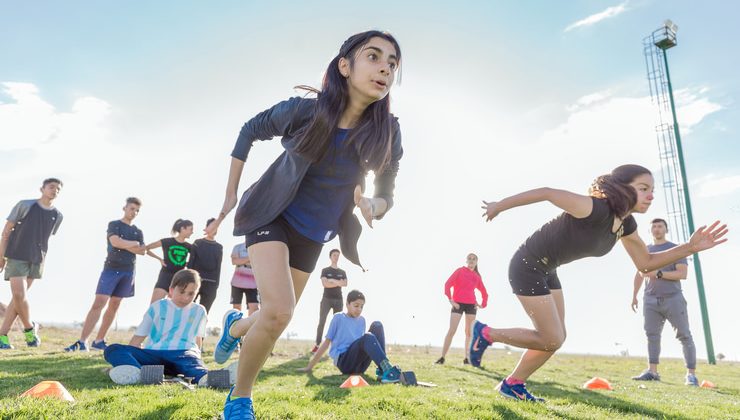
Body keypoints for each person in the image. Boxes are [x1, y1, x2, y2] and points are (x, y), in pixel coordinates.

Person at [206, 30, 403, 419]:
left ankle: (234, 327)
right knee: (279, 312)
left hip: (314, 234)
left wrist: (372, 205)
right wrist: (230, 193)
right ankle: (240, 399)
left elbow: (387, 192)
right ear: (345, 66)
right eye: (374, 56)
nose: (385, 67)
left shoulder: (387, 131)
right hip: (270, 216)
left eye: (392, 63)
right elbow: (250, 129)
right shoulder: (305, 111)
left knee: (273, 316)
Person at [470, 164, 727, 402]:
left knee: (556, 337)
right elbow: (547, 193)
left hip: (547, 269)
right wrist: (499, 205)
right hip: (527, 266)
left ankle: (513, 383)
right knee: (552, 338)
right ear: (623, 188)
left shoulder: (625, 224)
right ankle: (485, 334)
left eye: (652, 191)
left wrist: (690, 247)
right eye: (643, 189)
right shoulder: (594, 207)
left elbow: (645, 263)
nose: (650, 196)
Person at [103, 269, 216, 385]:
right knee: (113, 349)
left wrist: (198, 357)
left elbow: (198, 339)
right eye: (182, 292)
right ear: (171, 290)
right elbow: (139, 336)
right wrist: (128, 358)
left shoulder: (199, 311)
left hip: (184, 354)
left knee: (193, 366)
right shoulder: (157, 307)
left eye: (191, 293)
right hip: (154, 355)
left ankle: (207, 378)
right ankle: (134, 372)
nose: (186, 297)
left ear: (197, 292)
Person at [65, 197, 146, 352]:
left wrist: (127, 244)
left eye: (137, 210)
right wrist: (133, 244)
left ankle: (99, 341)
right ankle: (82, 341)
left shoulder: (138, 231)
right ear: (125, 208)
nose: (134, 212)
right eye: (131, 209)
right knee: (99, 303)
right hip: (111, 268)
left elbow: (143, 251)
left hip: (129, 271)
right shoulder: (114, 224)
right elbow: (115, 242)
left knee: (115, 305)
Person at [630, 218, 698, 386]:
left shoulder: (675, 249)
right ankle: (652, 372)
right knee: (652, 335)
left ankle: (691, 375)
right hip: (650, 299)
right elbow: (639, 274)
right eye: (653, 226)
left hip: (673, 298)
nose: (656, 229)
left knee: (684, 335)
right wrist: (634, 295)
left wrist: (659, 273)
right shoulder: (645, 250)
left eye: (660, 226)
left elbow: (682, 274)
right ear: (650, 230)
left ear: (666, 229)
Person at [0, 178, 64, 349]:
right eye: (51, 187)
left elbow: (45, 238)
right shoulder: (25, 205)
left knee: (17, 298)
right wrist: (1, 256)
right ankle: (30, 329)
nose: (54, 191)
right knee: (19, 295)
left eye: (58, 189)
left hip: (37, 259)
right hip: (16, 255)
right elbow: (6, 232)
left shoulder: (57, 215)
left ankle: (2, 337)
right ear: (42, 189)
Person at [298, 289, 401, 382]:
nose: (359, 309)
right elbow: (326, 343)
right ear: (347, 304)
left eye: (361, 306)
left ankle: (383, 369)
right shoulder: (338, 318)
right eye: (356, 306)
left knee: (377, 325)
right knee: (367, 337)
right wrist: (309, 367)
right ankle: (389, 371)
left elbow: (364, 345)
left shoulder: (362, 320)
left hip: (360, 366)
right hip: (345, 362)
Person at [436, 253, 488, 365]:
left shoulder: (477, 276)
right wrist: (451, 300)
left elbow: (484, 293)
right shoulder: (460, 271)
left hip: (471, 306)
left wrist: (481, 304)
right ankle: (442, 358)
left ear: (477, 262)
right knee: (452, 331)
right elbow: (447, 284)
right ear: (466, 260)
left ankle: (467, 359)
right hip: (457, 304)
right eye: (469, 258)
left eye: (474, 259)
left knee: (469, 333)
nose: (471, 260)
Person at [144, 219, 193, 303]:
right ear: (182, 229)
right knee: (154, 306)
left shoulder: (189, 246)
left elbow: (197, 259)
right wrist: (159, 259)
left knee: (173, 310)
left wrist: (186, 263)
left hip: (179, 281)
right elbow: (146, 248)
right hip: (165, 277)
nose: (192, 232)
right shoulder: (167, 241)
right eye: (191, 229)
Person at [312, 248, 348, 353]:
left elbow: (345, 284)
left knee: (338, 324)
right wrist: (338, 282)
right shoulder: (325, 270)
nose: (336, 257)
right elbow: (325, 284)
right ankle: (317, 345)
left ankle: (335, 346)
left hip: (339, 300)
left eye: (338, 255)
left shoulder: (342, 272)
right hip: (326, 299)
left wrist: (332, 280)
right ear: (330, 257)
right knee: (322, 322)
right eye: (334, 255)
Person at [190, 218, 223, 314]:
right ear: (206, 228)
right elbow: (191, 263)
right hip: (195, 281)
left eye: (216, 227)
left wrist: (216, 285)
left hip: (211, 284)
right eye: (211, 226)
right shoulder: (197, 243)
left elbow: (218, 267)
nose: (214, 229)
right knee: (188, 309)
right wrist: (189, 280)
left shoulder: (219, 247)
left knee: (203, 313)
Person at [230, 242, 259, 315]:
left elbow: (258, 262)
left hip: (253, 283)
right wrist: (250, 258)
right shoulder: (237, 247)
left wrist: (242, 260)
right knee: (236, 308)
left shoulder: (258, 248)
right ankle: (236, 325)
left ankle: (250, 326)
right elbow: (235, 261)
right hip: (237, 282)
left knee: (254, 308)